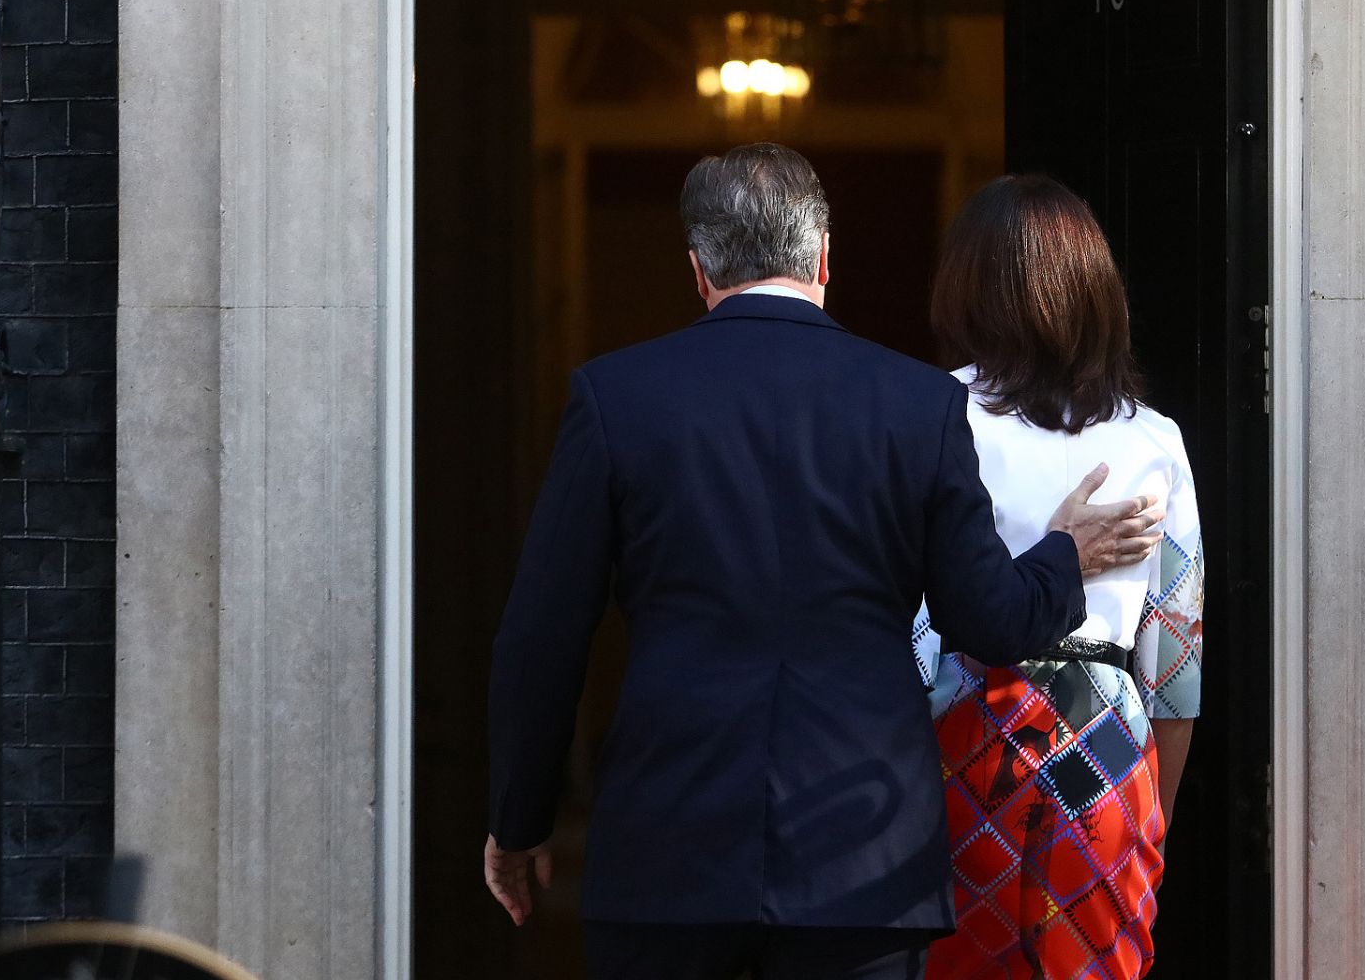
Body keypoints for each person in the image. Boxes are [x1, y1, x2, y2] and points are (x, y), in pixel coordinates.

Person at [483, 143, 1166, 980]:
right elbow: (990, 620)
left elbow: (541, 640)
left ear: (697, 270)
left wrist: (520, 823)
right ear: (824, 260)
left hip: (667, 858)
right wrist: (1064, 555)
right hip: (864, 868)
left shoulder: (615, 397)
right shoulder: (919, 405)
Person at [911, 175, 1204, 979]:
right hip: (1106, 760)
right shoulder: (1157, 442)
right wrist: (1152, 814)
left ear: (967, 288)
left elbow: (906, 630)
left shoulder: (933, 413)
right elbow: (1174, 669)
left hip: (963, 746)